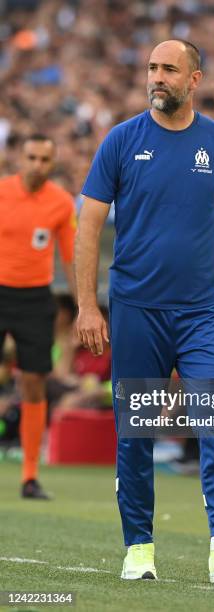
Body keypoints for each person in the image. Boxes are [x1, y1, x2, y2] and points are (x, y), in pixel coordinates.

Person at [75, 39, 214, 584]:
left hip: (203, 313)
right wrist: (87, 304)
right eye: (152, 67)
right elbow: (88, 225)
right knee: (136, 431)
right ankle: (139, 549)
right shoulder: (121, 141)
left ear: (194, 80)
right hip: (136, 310)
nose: (157, 77)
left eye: (169, 69)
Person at [0, 133, 76, 499]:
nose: (37, 166)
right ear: (20, 157)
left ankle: (29, 475)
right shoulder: (2, 192)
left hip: (34, 298)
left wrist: (85, 307)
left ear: (53, 162)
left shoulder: (61, 204)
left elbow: (71, 258)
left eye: (45, 160)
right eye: (31, 158)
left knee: (33, 383)